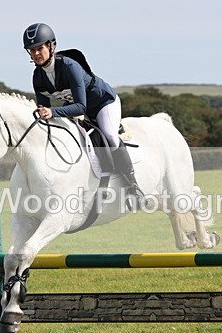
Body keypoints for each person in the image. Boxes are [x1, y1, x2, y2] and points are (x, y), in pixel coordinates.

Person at [23, 22, 144, 204]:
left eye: (39, 48)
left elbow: (80, 107)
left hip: (103, 103)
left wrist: (53, 111)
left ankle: (132, 186)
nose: (36, 54)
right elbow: (44, 114)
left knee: (110, 135)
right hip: (77, 107)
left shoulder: (69, 67)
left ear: (51, 45)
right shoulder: (37, 77)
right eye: (31, 50)